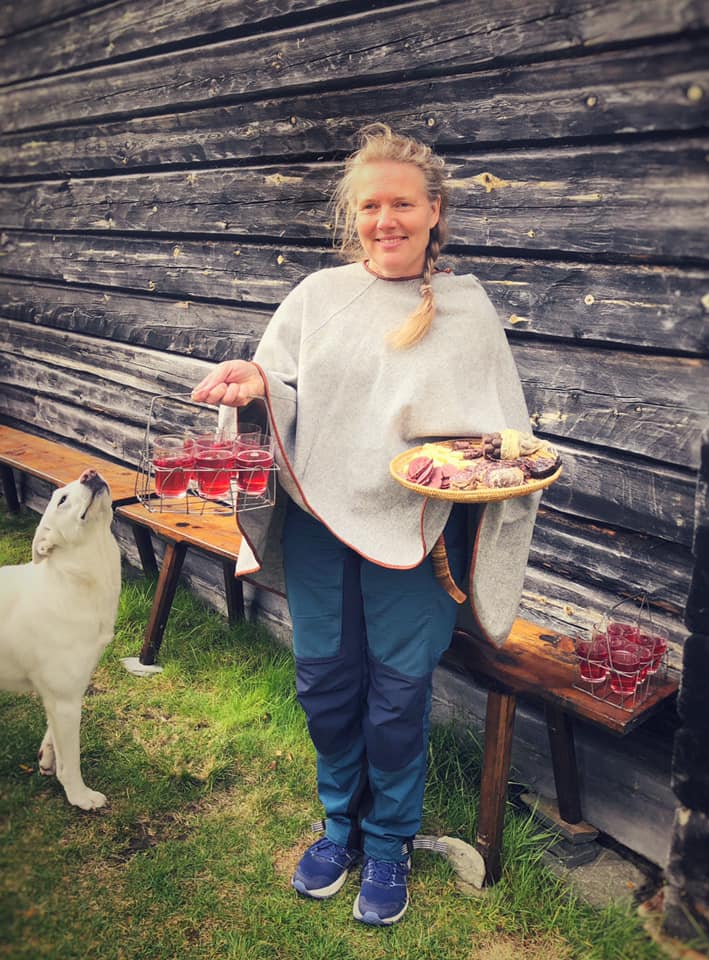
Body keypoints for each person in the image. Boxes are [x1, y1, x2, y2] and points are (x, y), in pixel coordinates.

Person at [192, 123, 538, 926]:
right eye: (373, 205)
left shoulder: (467, 307)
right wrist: (255, 381)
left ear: (434, 210)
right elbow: (282, 388)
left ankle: (388, 842)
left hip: (418, 532)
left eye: (404, 204)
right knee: (325, 683)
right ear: (356, 214)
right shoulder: (318, 296)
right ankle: (339, 824)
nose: (388, 219)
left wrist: (497, 464)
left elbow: (501, 434)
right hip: (319, 518)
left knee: (397, 694)